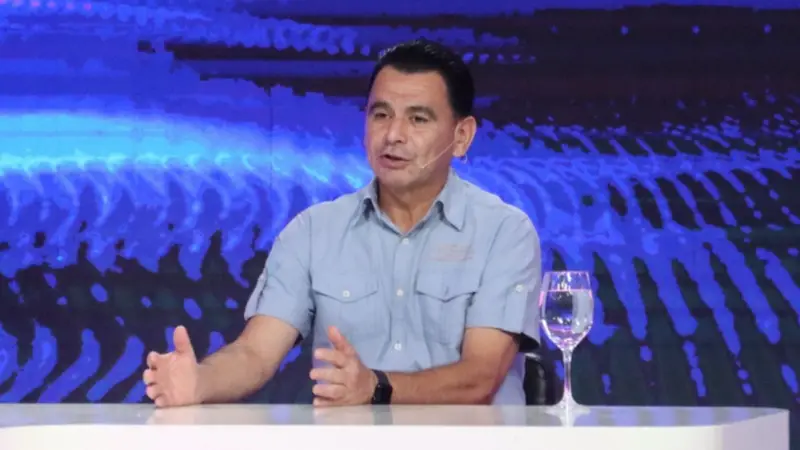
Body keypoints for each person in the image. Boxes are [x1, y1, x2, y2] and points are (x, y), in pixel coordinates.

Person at [142, 38, 542, 407]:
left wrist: (377, 387)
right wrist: (201, 381)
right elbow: (255, 353)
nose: (393, 135)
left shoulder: (504, 232)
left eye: (418, 119)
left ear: (462, 136)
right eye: (381, 114)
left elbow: (480, 377)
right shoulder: (313, 231)